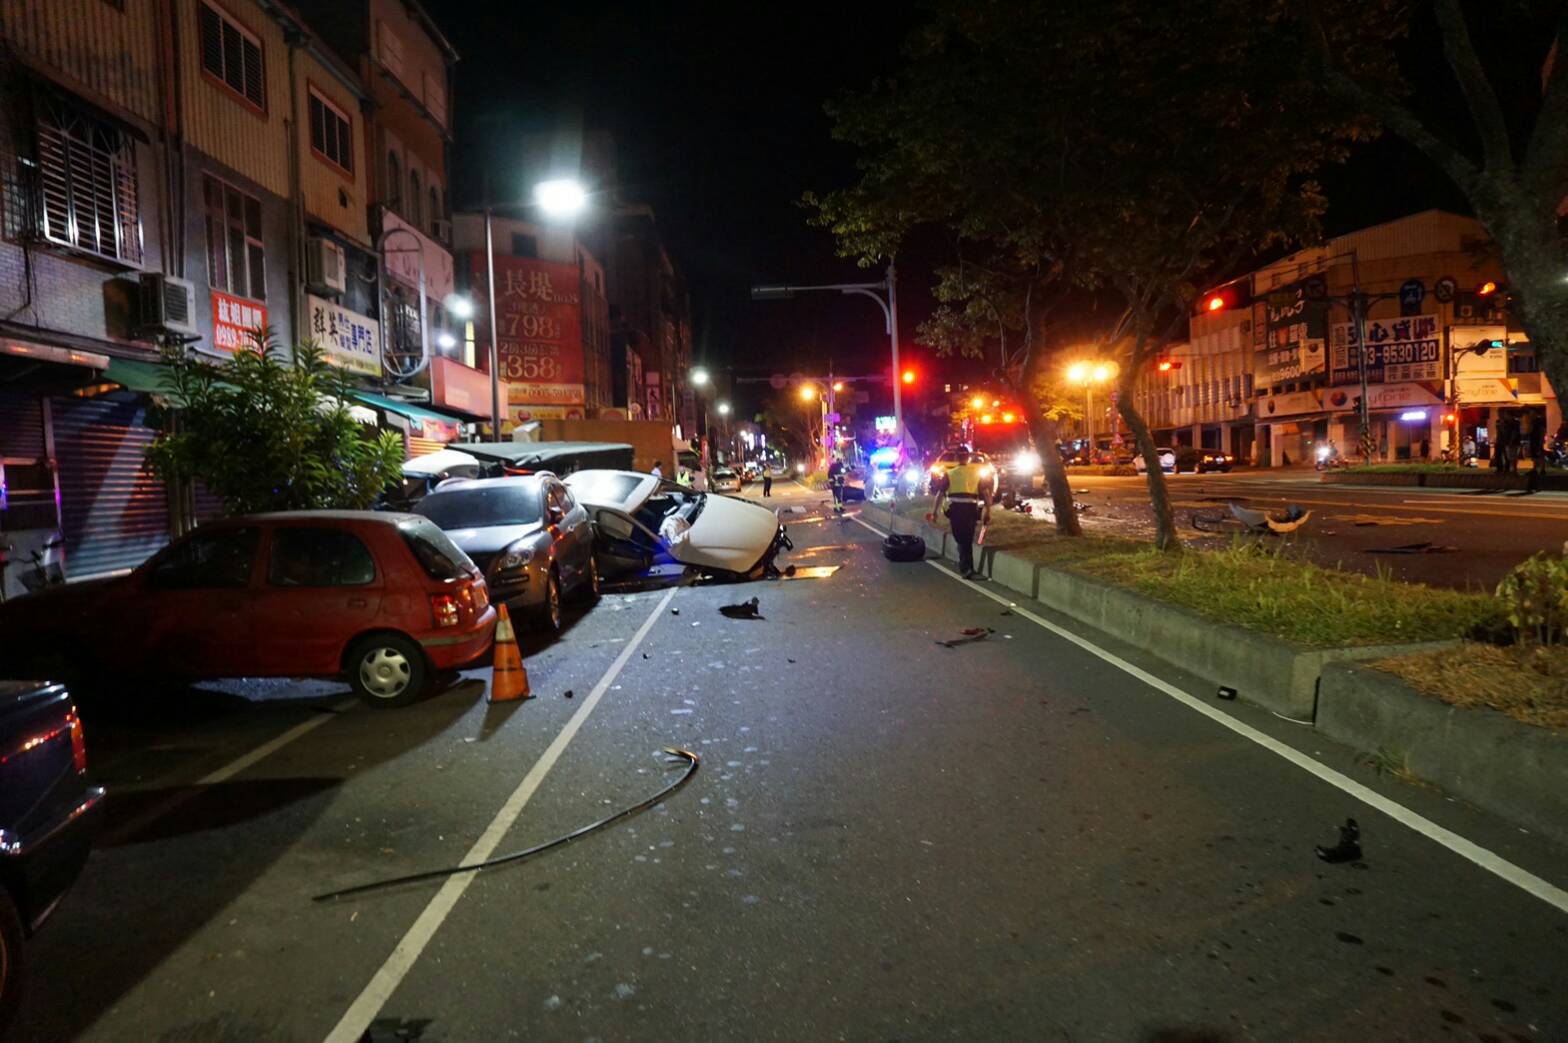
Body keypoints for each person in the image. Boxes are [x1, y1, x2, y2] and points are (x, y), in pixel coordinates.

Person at [928, 450, 993, 579]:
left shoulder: (950, 474)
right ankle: (967, 568)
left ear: (956, 458)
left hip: (955, 510)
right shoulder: (975, 473)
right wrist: (988, 512)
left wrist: (934, 513)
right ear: (968, 458)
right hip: (971, 510)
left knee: (962, 539)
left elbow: (940, 494)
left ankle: (966, 569)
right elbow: (986, 494)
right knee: (966, 539)